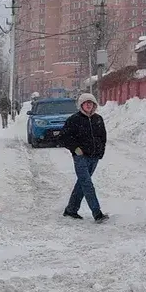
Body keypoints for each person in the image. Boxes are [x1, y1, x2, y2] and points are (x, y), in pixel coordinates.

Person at [59, 92, 109, 223]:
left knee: (82, 183)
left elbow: (103, 137)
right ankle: (97, 213)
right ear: (81, 105)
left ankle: (71, 209)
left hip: (94, 157)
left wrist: (100, 152)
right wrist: (75, 148)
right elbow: (64, 137)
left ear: (94, 105)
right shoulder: (74, 119)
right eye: (86, 103)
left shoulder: (98, 119)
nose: (89, 105)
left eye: (91, 103)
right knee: (87, 184)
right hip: (80, 157)